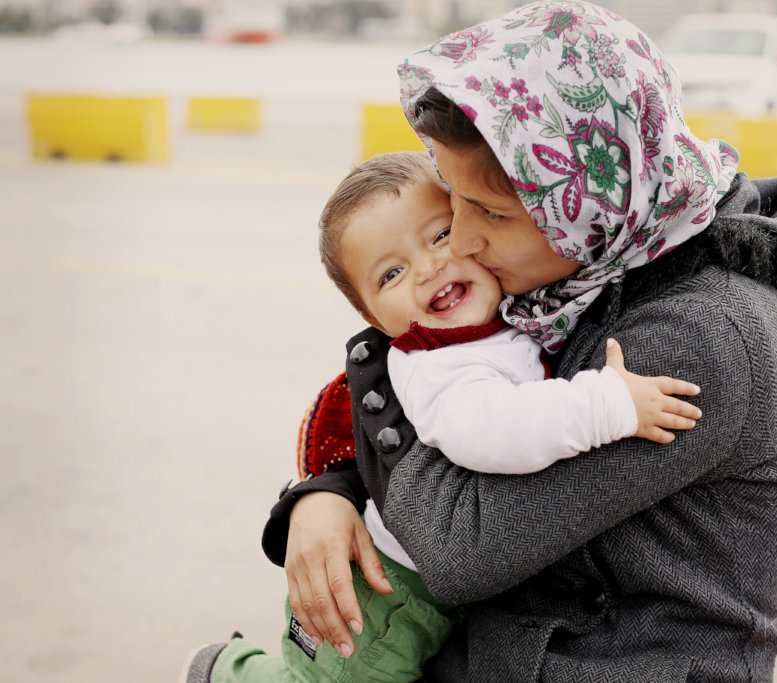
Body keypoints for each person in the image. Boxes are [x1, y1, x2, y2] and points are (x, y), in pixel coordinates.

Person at [264, 1, 777, 680]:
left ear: (585, 198)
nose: (463, 240)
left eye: (491, 213)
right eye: (454, 200)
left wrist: (380, 370)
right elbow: (457, 382)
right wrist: (324, 492)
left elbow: (458, 545)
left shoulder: (701, 337)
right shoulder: (581, 276)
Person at [182, 150, 703, 682]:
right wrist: (607, 405)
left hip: (441, 591)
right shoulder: (433, 366)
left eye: (439, 235)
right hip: (380, 596)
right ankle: (227, 672)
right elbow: (493, 429)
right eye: (391, 273)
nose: (429, 267)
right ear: (372, 318)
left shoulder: (509, 319)